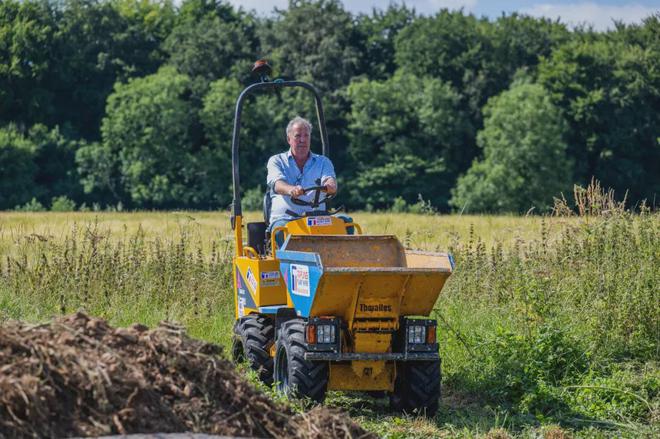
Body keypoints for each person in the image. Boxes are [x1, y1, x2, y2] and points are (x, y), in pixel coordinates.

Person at [266, 116, 351, 245]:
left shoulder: (323, 162)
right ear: (289, 139)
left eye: (306, 136)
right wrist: (291, 189)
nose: (302, 140)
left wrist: (330, 185)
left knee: (346, 222)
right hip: (288, 218)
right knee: (280, 230)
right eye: (298, 136)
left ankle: (342, 260)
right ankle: (290, 262)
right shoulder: (276, 161)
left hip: (317, 219)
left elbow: (329, 179)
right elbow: (277, 184)